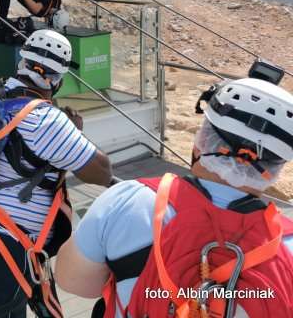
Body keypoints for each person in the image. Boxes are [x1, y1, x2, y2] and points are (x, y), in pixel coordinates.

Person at [56, 77, 293, 318]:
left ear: (202, 140)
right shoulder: (288, 246)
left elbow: (73, 282)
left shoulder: (129, 200)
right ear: (276, 168)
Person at [0, 30, 113, 318]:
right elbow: (101, 171)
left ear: (21, 62)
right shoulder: (47, 120)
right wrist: (74, 132)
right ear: (58, 80)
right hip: (1, 245)